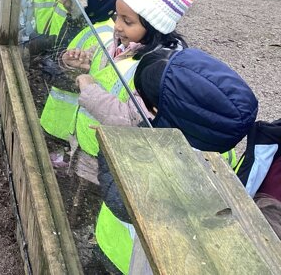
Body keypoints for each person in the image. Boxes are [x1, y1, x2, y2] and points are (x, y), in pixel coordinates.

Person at [94, 46, 258, 273]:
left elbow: (122, 203)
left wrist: (111, 152)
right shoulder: (222, 153)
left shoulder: (159, 154)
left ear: (155, 108)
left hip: (131, 256)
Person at [69, 0, 200, 156]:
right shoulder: (120, 42)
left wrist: (89, 89)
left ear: (154, 25)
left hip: (116, 156)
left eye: (127, 21)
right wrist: (80, 65)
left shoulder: (157, 70)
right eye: (117, 16)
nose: (117, 26)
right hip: (91, 143)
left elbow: (132, 119)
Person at [39, 0, 126, 145]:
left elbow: (92, 88)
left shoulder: (103, 38)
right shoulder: (80, 20)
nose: (62, 1)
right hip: (58, 119)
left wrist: (60, 69)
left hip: (72, 131)